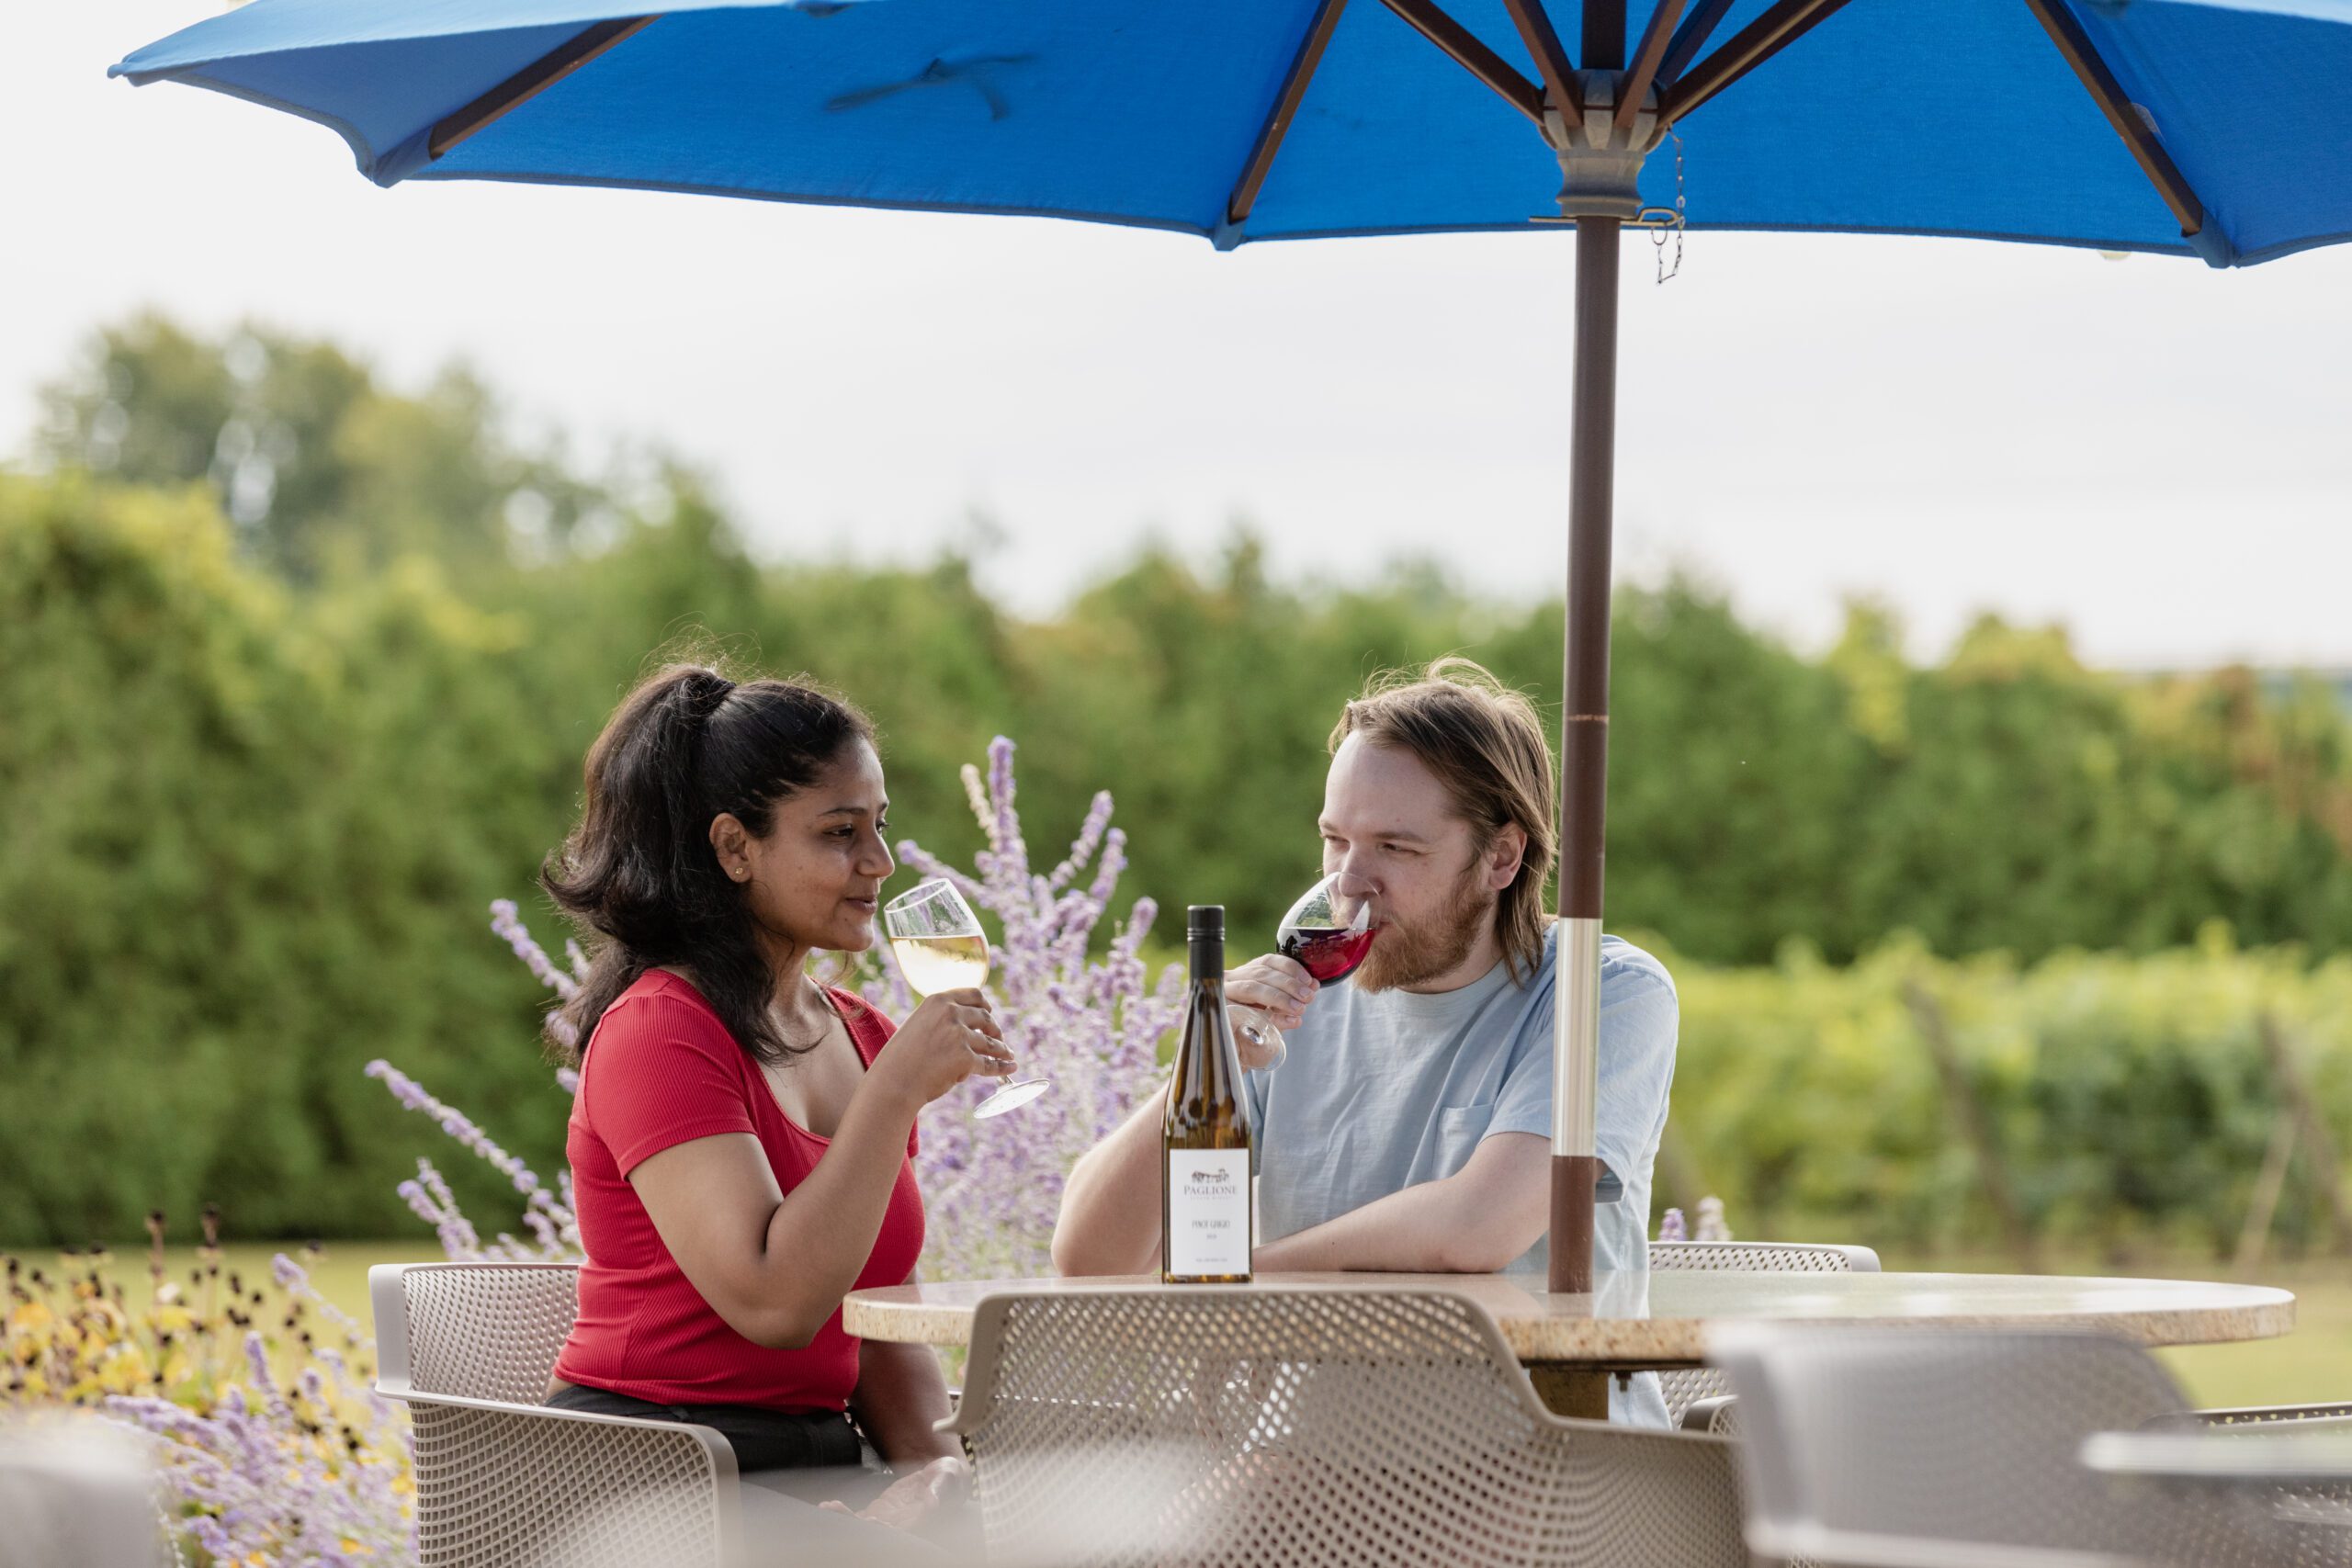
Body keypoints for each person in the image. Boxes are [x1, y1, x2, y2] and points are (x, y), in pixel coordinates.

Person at [1052, 658, 1679, 1426]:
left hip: (1543, 1457)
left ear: (1502, 857)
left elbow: (1476, 1226)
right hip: (1319, 1467)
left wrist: (1233, 1286)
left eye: (1395, 847)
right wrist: (1200, 1060)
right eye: (1334, 840)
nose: (1350, 881)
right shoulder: (1299, 1000)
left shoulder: (1599, 991)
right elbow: (1090, 1258)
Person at [538, 661, 1015, 1551]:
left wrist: (933, 1476)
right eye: (840, 833)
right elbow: (773, 1303)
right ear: (734, 848)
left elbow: (876, 1307)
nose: (878, 864)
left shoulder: (865, 1034)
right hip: (653, 1478)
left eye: (880, 828)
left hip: (814, 1472)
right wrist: (896, 1092)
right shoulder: (659, 1033)